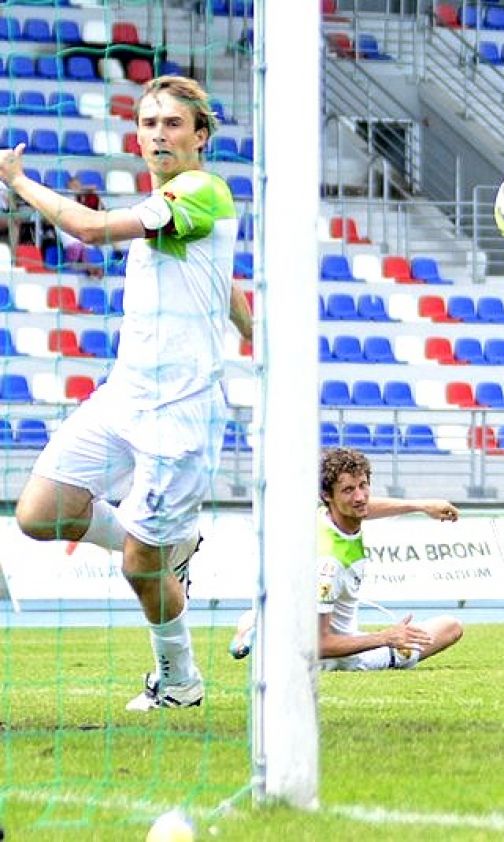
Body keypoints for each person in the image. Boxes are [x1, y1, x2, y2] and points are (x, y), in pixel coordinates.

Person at [0, 75, 254, 712]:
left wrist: (17, 181)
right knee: (37, 513)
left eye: (172, 124)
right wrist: (255, 334)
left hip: (180, 410)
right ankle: (180, 548)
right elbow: (225, 287)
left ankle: (180, 682)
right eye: (148, 124)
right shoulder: (169, 199)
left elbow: (88, 230)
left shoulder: (202, 189)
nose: (158, 134)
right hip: (124, 396)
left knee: (139, 565)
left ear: (200, 136)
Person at [229, 447, 464, 672]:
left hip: (314, 628)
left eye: (363, 485)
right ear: (326, 496)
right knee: (450, 627)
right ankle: (261, 631)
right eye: (349, 490)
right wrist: (385, 638)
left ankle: (255, 626)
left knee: (262, 616)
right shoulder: (329, 565)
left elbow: (365, 507)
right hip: (338, 658)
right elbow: (318, 645)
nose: (360, 497)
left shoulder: (328, 516)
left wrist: (422, 506)